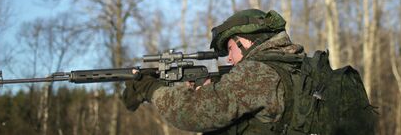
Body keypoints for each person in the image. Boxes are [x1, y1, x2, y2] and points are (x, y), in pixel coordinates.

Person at [122, 8, 304, 134]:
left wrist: (151, 89)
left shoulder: (257, 72)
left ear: (246, 41)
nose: (230, 59)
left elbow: (192, 113)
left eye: (231, 48)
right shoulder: (295, 64)